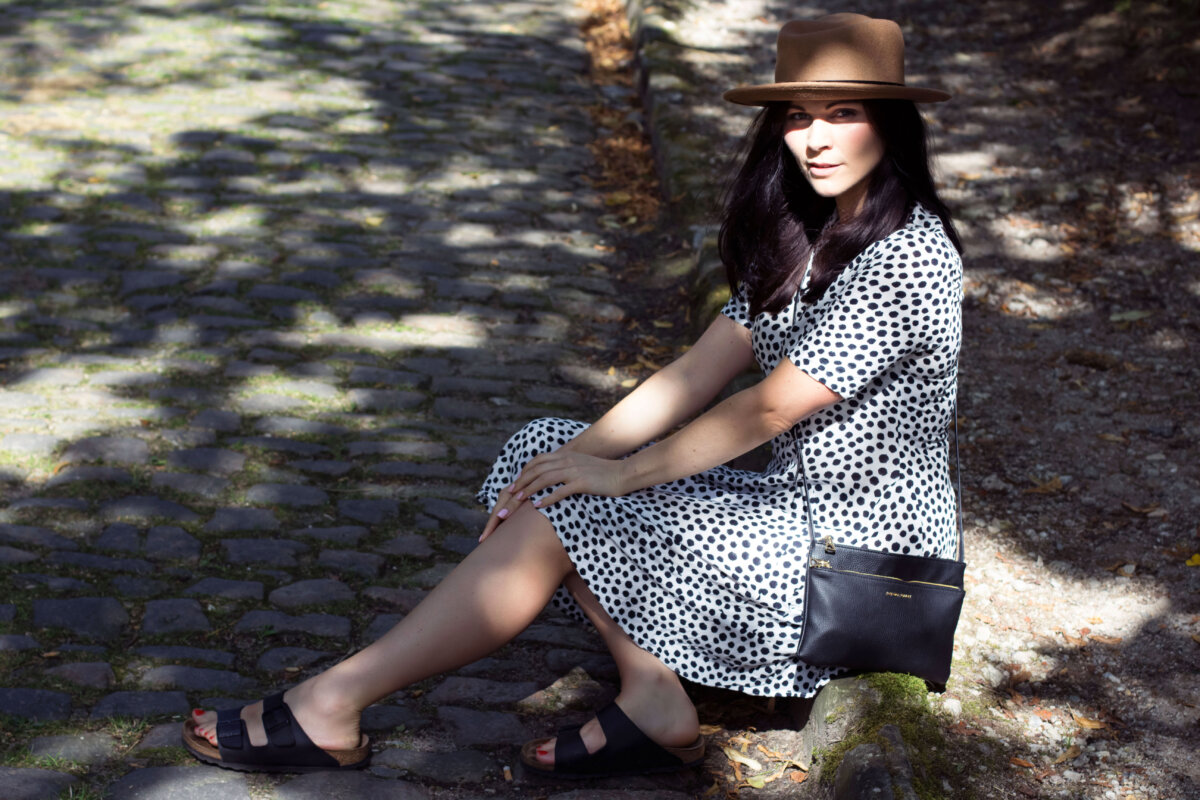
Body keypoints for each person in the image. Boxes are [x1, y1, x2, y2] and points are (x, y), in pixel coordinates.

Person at [183, 12, 962, 779]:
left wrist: (620, 474)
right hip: (790, 520)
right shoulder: (811, 236)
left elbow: (770, 407)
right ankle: (652, 693)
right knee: (547, 455)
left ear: (890, 122)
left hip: (863, 573)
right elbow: (695, 373)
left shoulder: (909, 258)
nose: (815, 138)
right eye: (797, 117)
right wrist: (578, 461)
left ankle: (334, 701)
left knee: (576, 501)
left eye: (843, 114)